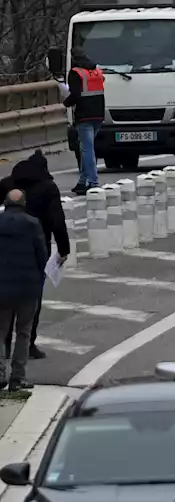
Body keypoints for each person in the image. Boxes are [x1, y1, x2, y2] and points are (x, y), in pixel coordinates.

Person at [0, 151, 69, 364]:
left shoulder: (7, 184)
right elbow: (57, 220)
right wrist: (63, 249)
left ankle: (5, 349)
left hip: (5, 250)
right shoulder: (48, 187)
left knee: (5, 305)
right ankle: (28, 345)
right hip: (36, 247)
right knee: (31, 302)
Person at [0, 189, 48, 392]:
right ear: (24, 203)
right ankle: (18, 377)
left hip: (1, 287)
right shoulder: (32, 223)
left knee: (0, 332)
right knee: (23, 332)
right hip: (28, 287)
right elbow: (42, 255)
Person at [63, 47, 106, 195]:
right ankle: (82, 181)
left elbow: (74, 94)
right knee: (84, 147)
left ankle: (93, 182)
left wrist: (66, 103)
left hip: (84, 116)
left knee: (87, 149)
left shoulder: (76, 73)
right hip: (99, 115)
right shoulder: (97, 71)